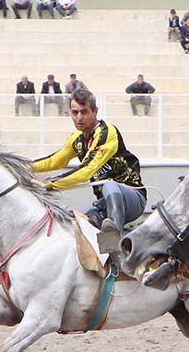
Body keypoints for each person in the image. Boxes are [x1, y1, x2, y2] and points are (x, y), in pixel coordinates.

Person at [31, 88, 147, 253]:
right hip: (104, 204)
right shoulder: (77, 140)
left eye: (84, 112)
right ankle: (107, 262)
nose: (79, 117)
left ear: (95, 111)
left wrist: (49, 185)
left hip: (133, 197)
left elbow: (86, 170)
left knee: (110, 186)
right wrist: (23, 167)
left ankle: (114, 251)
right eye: (75, 112)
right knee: (80, 226)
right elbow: (55, 160)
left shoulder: (107, 133)